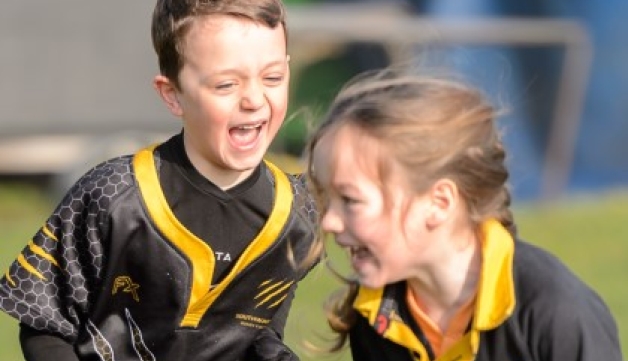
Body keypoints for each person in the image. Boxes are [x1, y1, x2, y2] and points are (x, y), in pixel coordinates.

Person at [0, 0, 318, 360]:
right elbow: (45, 323)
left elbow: (259, 334)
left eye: (273, 77)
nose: (254, 99)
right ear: (173, 94)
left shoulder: (298, 214)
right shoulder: (112, 196)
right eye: (226, 84)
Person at [304, 69, 623, 360]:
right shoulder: (376, 316)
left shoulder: (555, 312)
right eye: (327, 198)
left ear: (438, 202)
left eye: (350, 200)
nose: (329, 221)